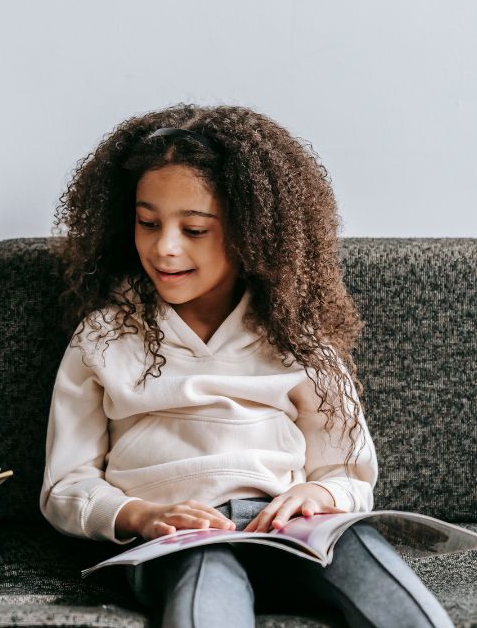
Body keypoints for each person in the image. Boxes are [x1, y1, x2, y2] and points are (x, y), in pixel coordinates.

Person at [40, 105, 452, 627]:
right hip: (179, 540)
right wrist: (141, 516)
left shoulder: (298, 339)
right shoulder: (103, 335)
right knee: (206, 571)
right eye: (148, 223)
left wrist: (317, 493)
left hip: (292, 532)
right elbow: (66, 484)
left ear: (253, 235)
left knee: (365, 553)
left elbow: (348, 471)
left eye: (194, 229)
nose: (164, 247)